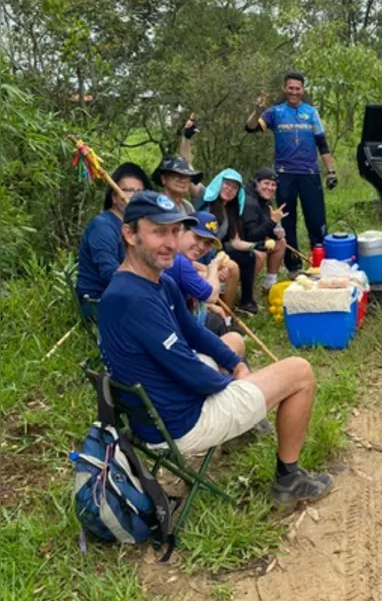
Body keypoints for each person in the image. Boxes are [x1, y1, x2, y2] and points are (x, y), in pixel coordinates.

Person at [97, 190, 333, 508]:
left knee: (233, 342)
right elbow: (188, 370)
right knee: (300, 371)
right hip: (181, 423)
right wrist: (236, 384)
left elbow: (194, 332)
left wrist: (235, 365)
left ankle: (241, 429)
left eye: (174, 230)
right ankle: (288, 480)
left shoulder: (156, 281)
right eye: (157, 231)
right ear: (129, 233)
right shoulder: (132, 299)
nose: (170, 242)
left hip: (159, 407)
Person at [245, 72, 337, 274]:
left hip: (310, 173)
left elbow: (322, 144)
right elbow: (250, 128)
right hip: (284, 175)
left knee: (316, 219)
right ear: (284, 89)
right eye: (290, 88)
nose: (294, 92)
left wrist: (331, 170)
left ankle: (320, 264)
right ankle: (294, 267)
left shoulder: (311, 112)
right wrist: (257, 110)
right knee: (288, 221)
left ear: (303, 90)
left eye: (298, 88)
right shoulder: (275, 112)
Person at [76, 162, 151, 316]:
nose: (134, 196)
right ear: (114, 197)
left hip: (128, 293)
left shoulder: (135, 225)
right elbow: (110, 274)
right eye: (128, 190)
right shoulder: (102, 227)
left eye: (139, 191)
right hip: (100, 300)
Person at [163, 210, 232, 335]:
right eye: (197, 237)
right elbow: (211, 296)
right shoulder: (178, 261)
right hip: (173, 330)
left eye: (207, 243)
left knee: (215, 318)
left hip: (177, 318)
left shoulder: (176, 256)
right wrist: (214, 266)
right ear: (181, 230)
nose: (201, 246)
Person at [201, 168, 258, 314]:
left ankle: (238, 305)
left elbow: (235, 242)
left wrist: (257, 245)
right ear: (218, 183)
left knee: (249, 256)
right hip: (201, 252)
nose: (229, 189)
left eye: (234, 187)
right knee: (231, 267)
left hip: (216, 251)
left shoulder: (230, 210)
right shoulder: (205, 203)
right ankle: (224, 312)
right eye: (227, 184)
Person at [242, 168, 287, 293]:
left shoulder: (265, 201)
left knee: (281, 243)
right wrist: (272, 221)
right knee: (259, 254)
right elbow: (251, 236)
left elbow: (263, 227)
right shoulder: (249, 202)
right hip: (239, 245)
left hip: (253, 240)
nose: (270, 187)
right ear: (257, 183)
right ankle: (247, 294)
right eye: (266, 183)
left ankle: (269, 285)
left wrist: (275, 232)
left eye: (273, 185)